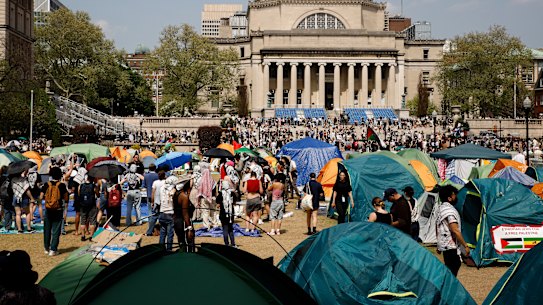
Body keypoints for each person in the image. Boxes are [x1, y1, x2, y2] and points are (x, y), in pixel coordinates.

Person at [437, 185, 470, 277]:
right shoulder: (449, 211)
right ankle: (448, 289)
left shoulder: (441, 208)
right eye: (454, 195)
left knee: (450, 268)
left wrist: (439, 244)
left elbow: (439, 227)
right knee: (454, 266)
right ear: (449, 198)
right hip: (451, 246)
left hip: (445, 245)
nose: (456, 196)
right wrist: (465, 246)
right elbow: (455, 230)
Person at [40, 167, 69, 256]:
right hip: (58, 209)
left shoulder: (46, 184)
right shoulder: (62, 185)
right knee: (56, 230)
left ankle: (46, 248)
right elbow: (66, 198)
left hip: (48, 209)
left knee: (47, 229)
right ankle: (53, 249)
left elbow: (41, 197)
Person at [217, 162, 239, 247]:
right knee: (231, 229)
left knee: (225, 229)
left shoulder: (220, 194)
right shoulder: (232, 193)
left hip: (223, 212)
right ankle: (233, 243)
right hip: (230, 212)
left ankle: (226, 244)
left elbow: (218, 203)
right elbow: (234, 202)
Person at [173, 177, 195, 252]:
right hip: (183, 222)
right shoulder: (184, 197)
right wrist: (189, 228)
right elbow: (185, 213)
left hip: (176, 221)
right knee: (190, 244)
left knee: (181, 242)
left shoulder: (176, 194)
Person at [158, 175, 177, 251]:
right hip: (170, 213)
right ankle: (169, 249)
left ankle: (161, 249)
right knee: (170, 234)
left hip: (162, 212)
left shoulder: (161, 188)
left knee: (162, 233)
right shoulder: (173, 190)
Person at [78, 175, 98, 242]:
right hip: (92, 205)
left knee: (83, 221)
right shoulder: (93, 186)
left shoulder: (81, 186)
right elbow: (97, 194)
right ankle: (91, 236)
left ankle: (83, 236)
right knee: (92, 221)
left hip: (83, 205)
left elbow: (79, 194)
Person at [197, 162, 216, 230]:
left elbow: (199, 191)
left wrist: (198, 200)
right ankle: (214, 224)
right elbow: (214, 191)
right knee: (213, 212)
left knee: (205, 212)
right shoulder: (213, 181)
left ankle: (206, 226)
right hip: (212, 198)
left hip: (203, 198)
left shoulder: (201, 181)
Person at [148, 170, 166, 236]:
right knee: (163, 217)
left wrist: (152, 202)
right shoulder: (165, 182)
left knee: (154, 217)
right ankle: (163, 231)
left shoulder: (155, 182)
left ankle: (149, 231)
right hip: (164, 201)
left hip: (157, 201)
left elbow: (153, 193)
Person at [143, 164, 159, 236]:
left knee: (150, 212)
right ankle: (154, 228)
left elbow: (144, 185)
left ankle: (150, 228)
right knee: (157, 212)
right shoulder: (157, 175)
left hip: (149, 195)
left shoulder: (146, 176)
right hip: (157, 196)